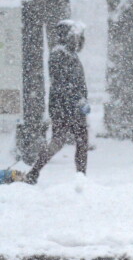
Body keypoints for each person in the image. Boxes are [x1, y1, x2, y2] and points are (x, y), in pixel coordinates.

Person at [21, 20, 89, 185]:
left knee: (71, 141)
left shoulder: (69, 53)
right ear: (67, 36)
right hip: (65, 107)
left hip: (69, 106)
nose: (79, 40)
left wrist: (81, 99)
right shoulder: (60, 54)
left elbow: (74, 82)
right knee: (65, 141)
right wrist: (77, 100)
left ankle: (36, 173)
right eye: (76, 36)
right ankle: (79, 178)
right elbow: (62, 83)